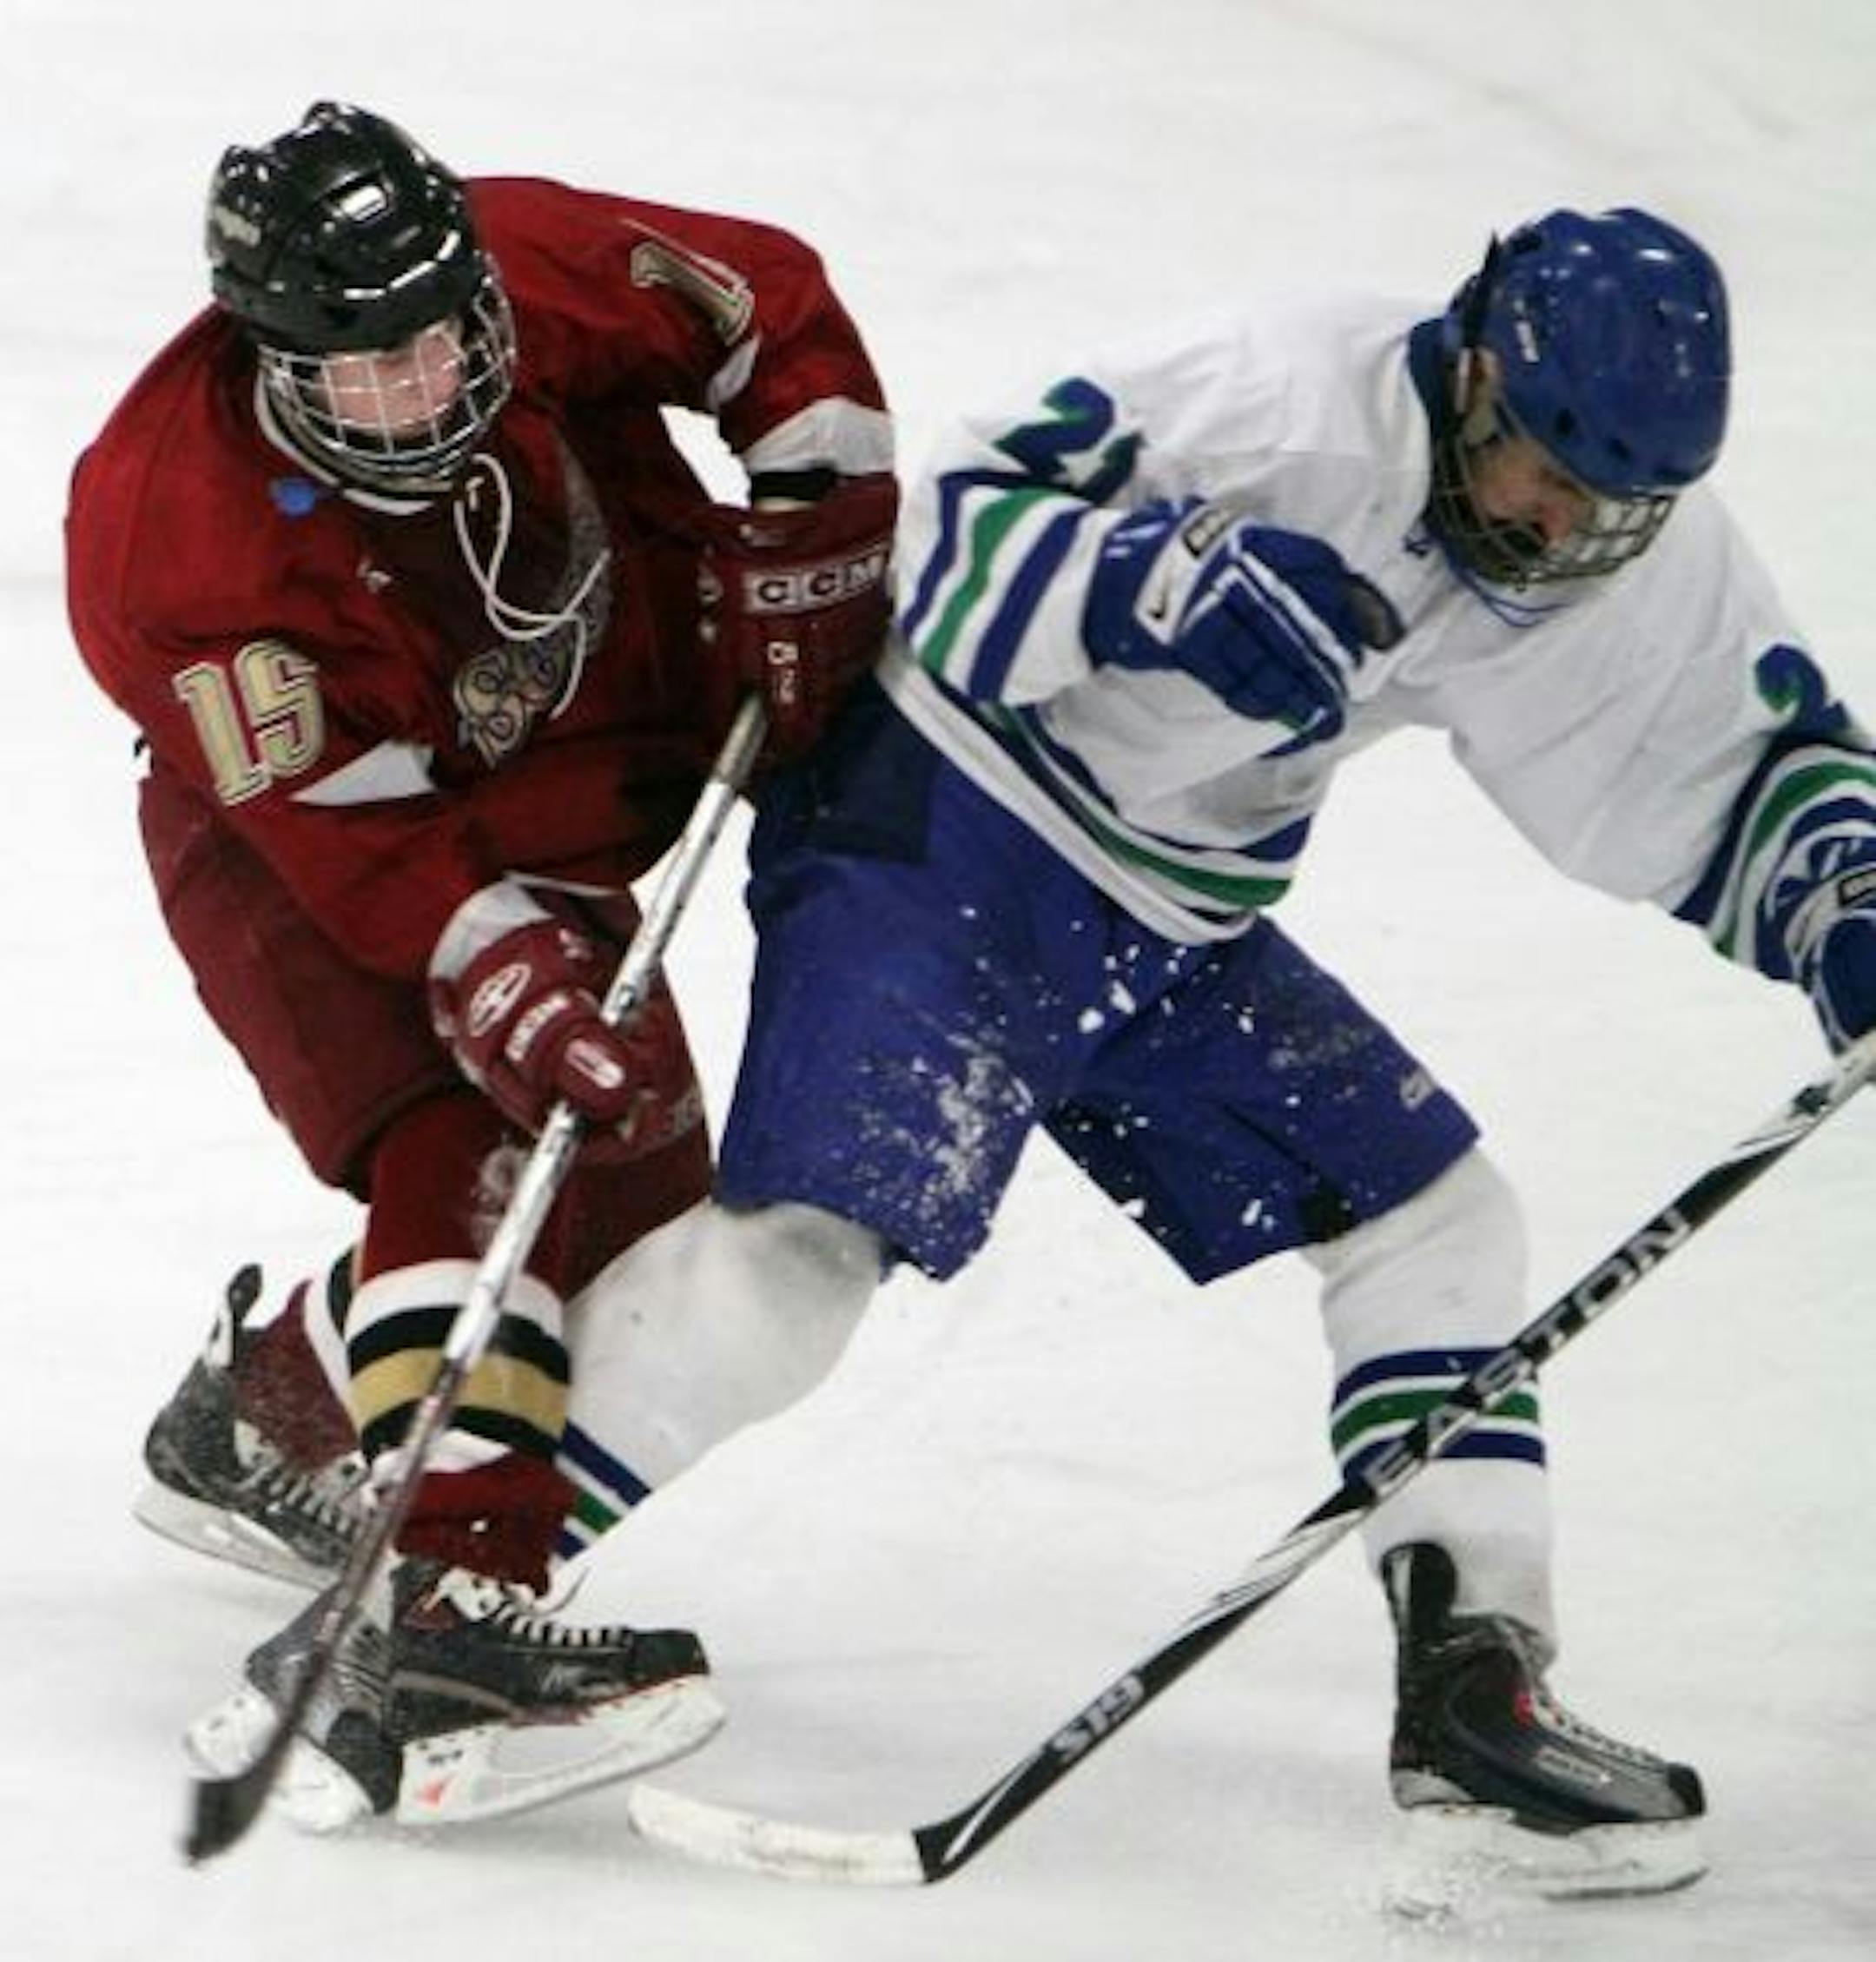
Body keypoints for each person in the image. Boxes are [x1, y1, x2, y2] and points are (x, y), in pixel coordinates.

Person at [546, 206, 1876, 1895]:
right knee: (806, 1258)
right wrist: (1146, 585)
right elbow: (942, 538)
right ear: (1475, 368)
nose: (1562, 525)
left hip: (1165, 915)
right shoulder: (1282, 392)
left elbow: (1738, 770)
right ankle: (452, 1585)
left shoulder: (1616, 551)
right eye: (1541, 467)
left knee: (1438, 1217)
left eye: (1615, 505)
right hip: (942, 803)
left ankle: (1476, 1683)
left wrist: (1844, 899)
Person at [64, 101, 895, 1829]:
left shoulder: (537, 255)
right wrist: (495, 970)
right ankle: (444, 1609)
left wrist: (822, 514)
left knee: (639, 1187)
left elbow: (765, 303)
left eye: (441, 349)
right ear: (269, 354)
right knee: (479, 1123)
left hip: (566, 792)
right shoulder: (175, 539)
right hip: (301, 846)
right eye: (360, 378)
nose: (418, 399)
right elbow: (358, 839)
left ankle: (270, 1412)